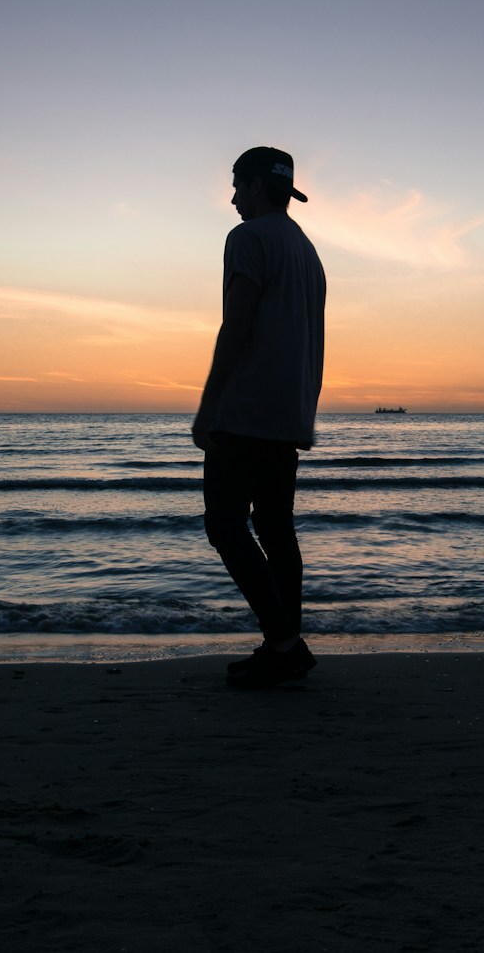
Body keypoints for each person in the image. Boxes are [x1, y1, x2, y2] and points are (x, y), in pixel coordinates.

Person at [193, 146, 327, 689]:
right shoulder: (306, 250)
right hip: (289, 411)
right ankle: (285, 645)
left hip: (245, 410)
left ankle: (284, 643)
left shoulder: (246, 239)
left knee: (225, 524)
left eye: (236, 186)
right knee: (275, 528)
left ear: (253, 186)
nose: (231, 199)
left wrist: (209, 403)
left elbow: (237, 326)